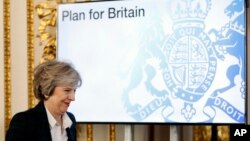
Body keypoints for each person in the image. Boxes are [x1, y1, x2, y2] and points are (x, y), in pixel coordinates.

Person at [5, 60, 82, 141]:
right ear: (47, 91)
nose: (73, 98)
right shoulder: (24, 122)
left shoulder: (70, 120)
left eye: (74, 91)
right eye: (67, 90)